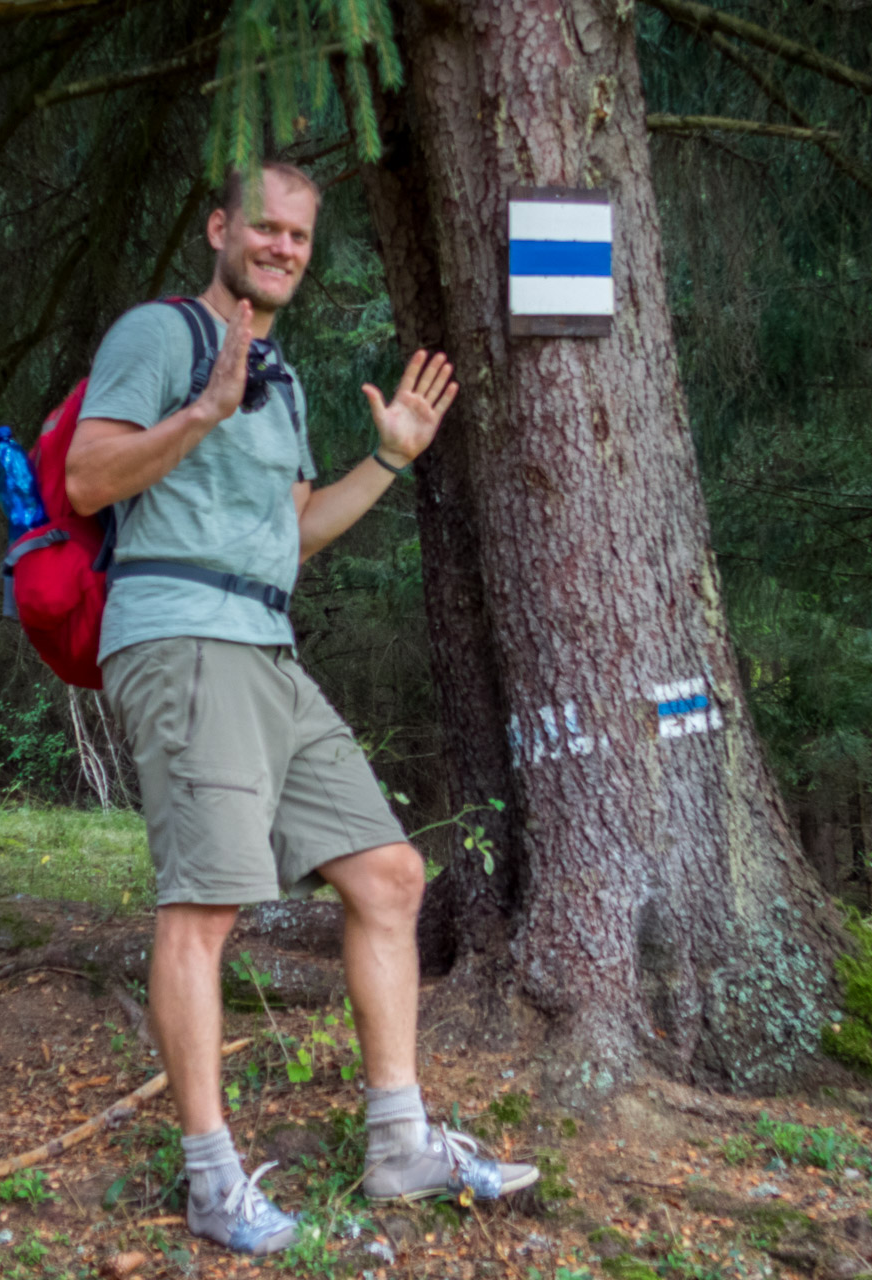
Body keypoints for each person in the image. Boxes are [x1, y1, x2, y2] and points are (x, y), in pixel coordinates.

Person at [64, 160, 537, 1256]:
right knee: (204, 908)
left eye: (300, 238)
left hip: (266, 644)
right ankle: (212, 1179)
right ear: (220, 226)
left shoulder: (280, 377)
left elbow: (299, 531)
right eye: (265, 228)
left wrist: (388, 458)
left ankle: (399, 1144)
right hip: (182, 639)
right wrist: (201, 409)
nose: (282, 248)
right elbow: (90, 479)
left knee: (390, 875)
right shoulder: (160, 335)